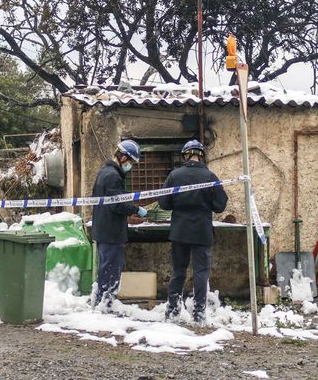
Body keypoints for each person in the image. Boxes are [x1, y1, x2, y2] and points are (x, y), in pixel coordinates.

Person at [159, 140, 228, 324]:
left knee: (178, 271)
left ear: (185, 155)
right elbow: (220, 205)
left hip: (180, 231)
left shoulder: (174, 175)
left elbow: (163, 203)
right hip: (202, 231)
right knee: (201, 272)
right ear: (201, 155)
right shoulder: (210, 176)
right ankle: (199, 313)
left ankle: (172, 311)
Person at [91, 139, 148, 310]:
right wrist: (136, 209)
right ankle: (106, 304)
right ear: (123, 157)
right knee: (110, 269)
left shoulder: (104, 172)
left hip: (104, 229)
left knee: (105, 267)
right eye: (130, 161)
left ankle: (101, 301)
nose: (130, 165)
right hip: (111, 231)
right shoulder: (113, 176)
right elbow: (117, 204)